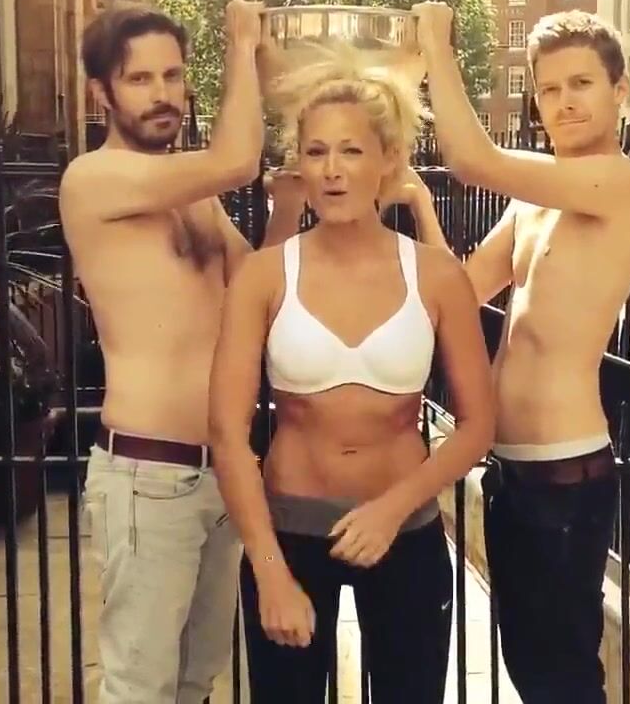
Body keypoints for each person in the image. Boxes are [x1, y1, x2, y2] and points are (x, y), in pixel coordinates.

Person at [207, 44, 496, 702]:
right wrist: (269, 569)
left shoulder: (436, 276)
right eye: (316, 152)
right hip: (289, 536)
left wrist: (393, 509)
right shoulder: (263, 275)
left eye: (351, 151)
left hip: (405, 535)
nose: (332, 170)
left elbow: (478, 425)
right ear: (299, 164)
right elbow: (226, 433)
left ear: (388, 160)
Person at [412, 3, 630, 704]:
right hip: (510, 471)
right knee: (529, 666)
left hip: (565, 475)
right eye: (549, 89)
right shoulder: (534, 202)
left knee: (563, 679)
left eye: (581, 83)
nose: (564, 102)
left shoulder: (624, 185)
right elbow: (460, 292)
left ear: (619, 90)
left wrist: (435, 45)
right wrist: (419, 203)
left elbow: (473, 160)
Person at [58, 0, 297, 704]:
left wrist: (287, 205)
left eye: (172, 75)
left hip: (221, 473)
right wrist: (244, 44)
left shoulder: (193, 194)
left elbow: (257, 289)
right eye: (140, 79)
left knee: (195, 681)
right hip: (149, 476)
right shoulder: (94, 179)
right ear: (102, 92)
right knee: (141, 688)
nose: (163, 94)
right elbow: (235, 160)